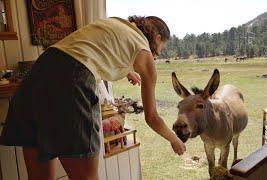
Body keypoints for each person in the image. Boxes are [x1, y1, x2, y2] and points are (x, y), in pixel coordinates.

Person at [0, 15, 186, 180]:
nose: (159, 53)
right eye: (162, 47)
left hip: (38, 72)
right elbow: (151, 117)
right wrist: (174, 139)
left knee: (39, 177)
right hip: (71, 79)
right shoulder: (145, 54)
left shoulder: (115, 23)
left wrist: (127, 71)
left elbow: (91, 51)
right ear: (158, 38)